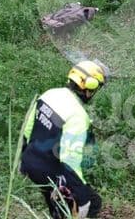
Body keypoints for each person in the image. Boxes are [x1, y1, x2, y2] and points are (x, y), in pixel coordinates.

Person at [20, 60, 107, 218]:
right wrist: (81, 195)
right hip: (50, 171)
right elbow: (70, 161)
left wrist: (24, 158)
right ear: (89, 87)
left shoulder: (50, 94)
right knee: (92, 203)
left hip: (30, 162)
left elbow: (27, 129)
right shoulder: (78, 116)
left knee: (57, 207)